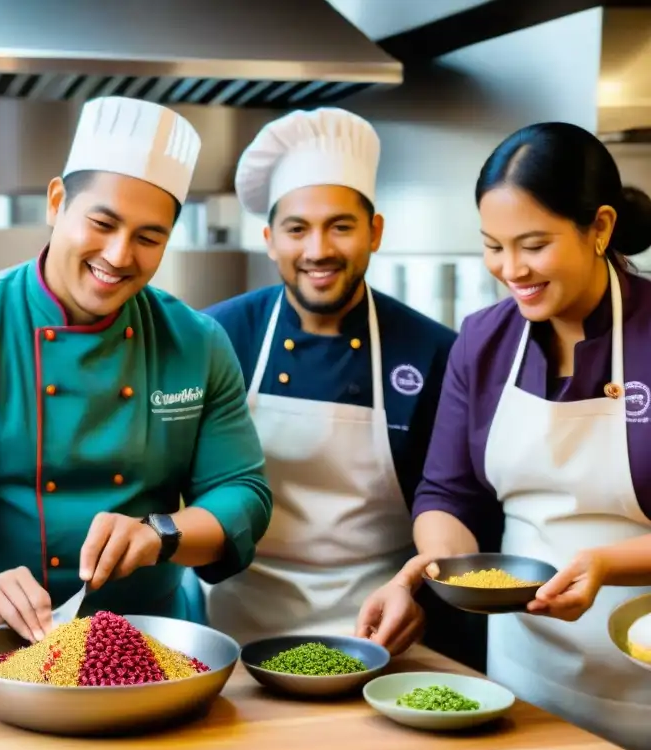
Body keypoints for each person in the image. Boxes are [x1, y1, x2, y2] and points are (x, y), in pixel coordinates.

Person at [0, 95, 272, 675]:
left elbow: (243, 493)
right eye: (103, 223)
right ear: (57, 200)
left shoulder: (197, 342)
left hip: (145, 652)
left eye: (148, 237)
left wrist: (160, 533)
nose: (119, 256)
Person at [358, 122, 651, 750]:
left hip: (642, 675)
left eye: (534, 245)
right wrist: (431, 570)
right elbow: (448, 493)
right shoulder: (483, 340)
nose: (510, 270)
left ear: (599, 228)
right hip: (523, 672)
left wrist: (605, 564)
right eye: (493, 247)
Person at [200, 108, 482, 667]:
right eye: (297, 228)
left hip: (387, 632)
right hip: (229, 631)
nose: (319, 250)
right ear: (269, 239)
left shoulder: (435, 352)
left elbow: (457, 501)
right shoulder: (216, 337)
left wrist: (420, 593)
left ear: (374, 232)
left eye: (341, 226)